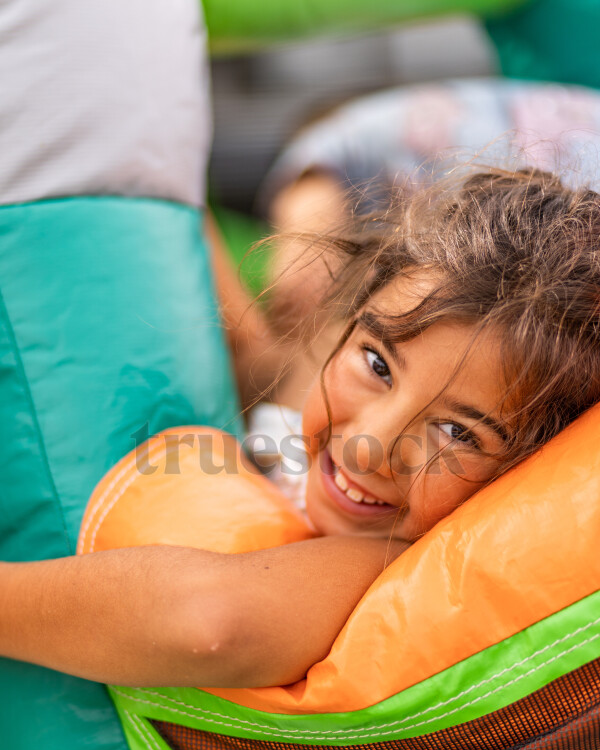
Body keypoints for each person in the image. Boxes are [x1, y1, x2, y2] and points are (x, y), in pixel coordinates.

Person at [2, 166, 600, 691]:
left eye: (459, 433)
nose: (374, 446)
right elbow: (242, 353)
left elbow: (211, 624)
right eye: (377, 364)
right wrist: (147, 169)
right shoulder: (311, 409)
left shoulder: (380, 565)